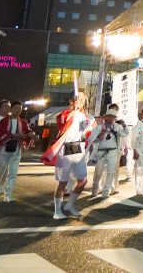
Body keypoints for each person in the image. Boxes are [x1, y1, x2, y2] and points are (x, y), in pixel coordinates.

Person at [44, 90, 96, 219]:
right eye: (77, 98)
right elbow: (62, 126)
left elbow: (84, 133)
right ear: (71, 100)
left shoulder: (85, 116)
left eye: (83, 98)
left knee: (83, 181)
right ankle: (57, 211)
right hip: (66, 148)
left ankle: (70, 205)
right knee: (63, 182)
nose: (80, 100)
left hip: (79, 149)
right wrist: (73, 112)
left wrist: (89, 131)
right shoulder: (65, 114)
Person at [0, 99, 35, 202]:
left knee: (13, 173)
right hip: (3, 150)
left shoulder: (23, 122)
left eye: (20, 108)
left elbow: (28, 131)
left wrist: (32, 134)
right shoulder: (4, 121)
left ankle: (8, 194)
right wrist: (15, 135)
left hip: (16, 150)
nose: (18, 110)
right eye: (16, 108)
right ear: (11, 109)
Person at [90, 107, 125, 199]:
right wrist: (100, 134)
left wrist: (124, 126)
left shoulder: (117, 127)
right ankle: (95, 189)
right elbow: (91, 140)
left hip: (113, 151)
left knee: (110, 172)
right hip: (101, 151)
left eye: (113, 117)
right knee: (98, 172)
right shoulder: (99, 127)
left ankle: (106, 191)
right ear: (106, 117)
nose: (111, 118)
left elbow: (126, 134)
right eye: (109, 116)